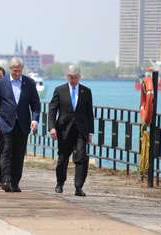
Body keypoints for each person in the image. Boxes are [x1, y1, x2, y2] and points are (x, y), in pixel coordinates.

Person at [0, 57, 41, 192]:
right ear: (10, 69)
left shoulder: (29, 83)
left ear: (22, 70)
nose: (17, 73)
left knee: (19, 154)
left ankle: (15, 181)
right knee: (6, 150)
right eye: (14, 71)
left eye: (19, 71)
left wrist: (35, 120)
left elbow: (35, 104)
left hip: (23, 124)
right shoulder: (1, 83)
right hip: (5, 123)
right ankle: (5, 179)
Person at [48, 65, 94, 197]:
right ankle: (60, 183)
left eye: (75, 77)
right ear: (67, 76)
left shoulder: (86, 91)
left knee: (81, 157)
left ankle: (78, 186)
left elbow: (89, 113)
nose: (73, 80)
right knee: (62, 158)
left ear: (79, 77)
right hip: (64, 130)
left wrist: (90, 132)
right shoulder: (59, 90)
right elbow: (52, 110)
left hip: (81, 131)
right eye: (70, 77)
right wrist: (52, 128)